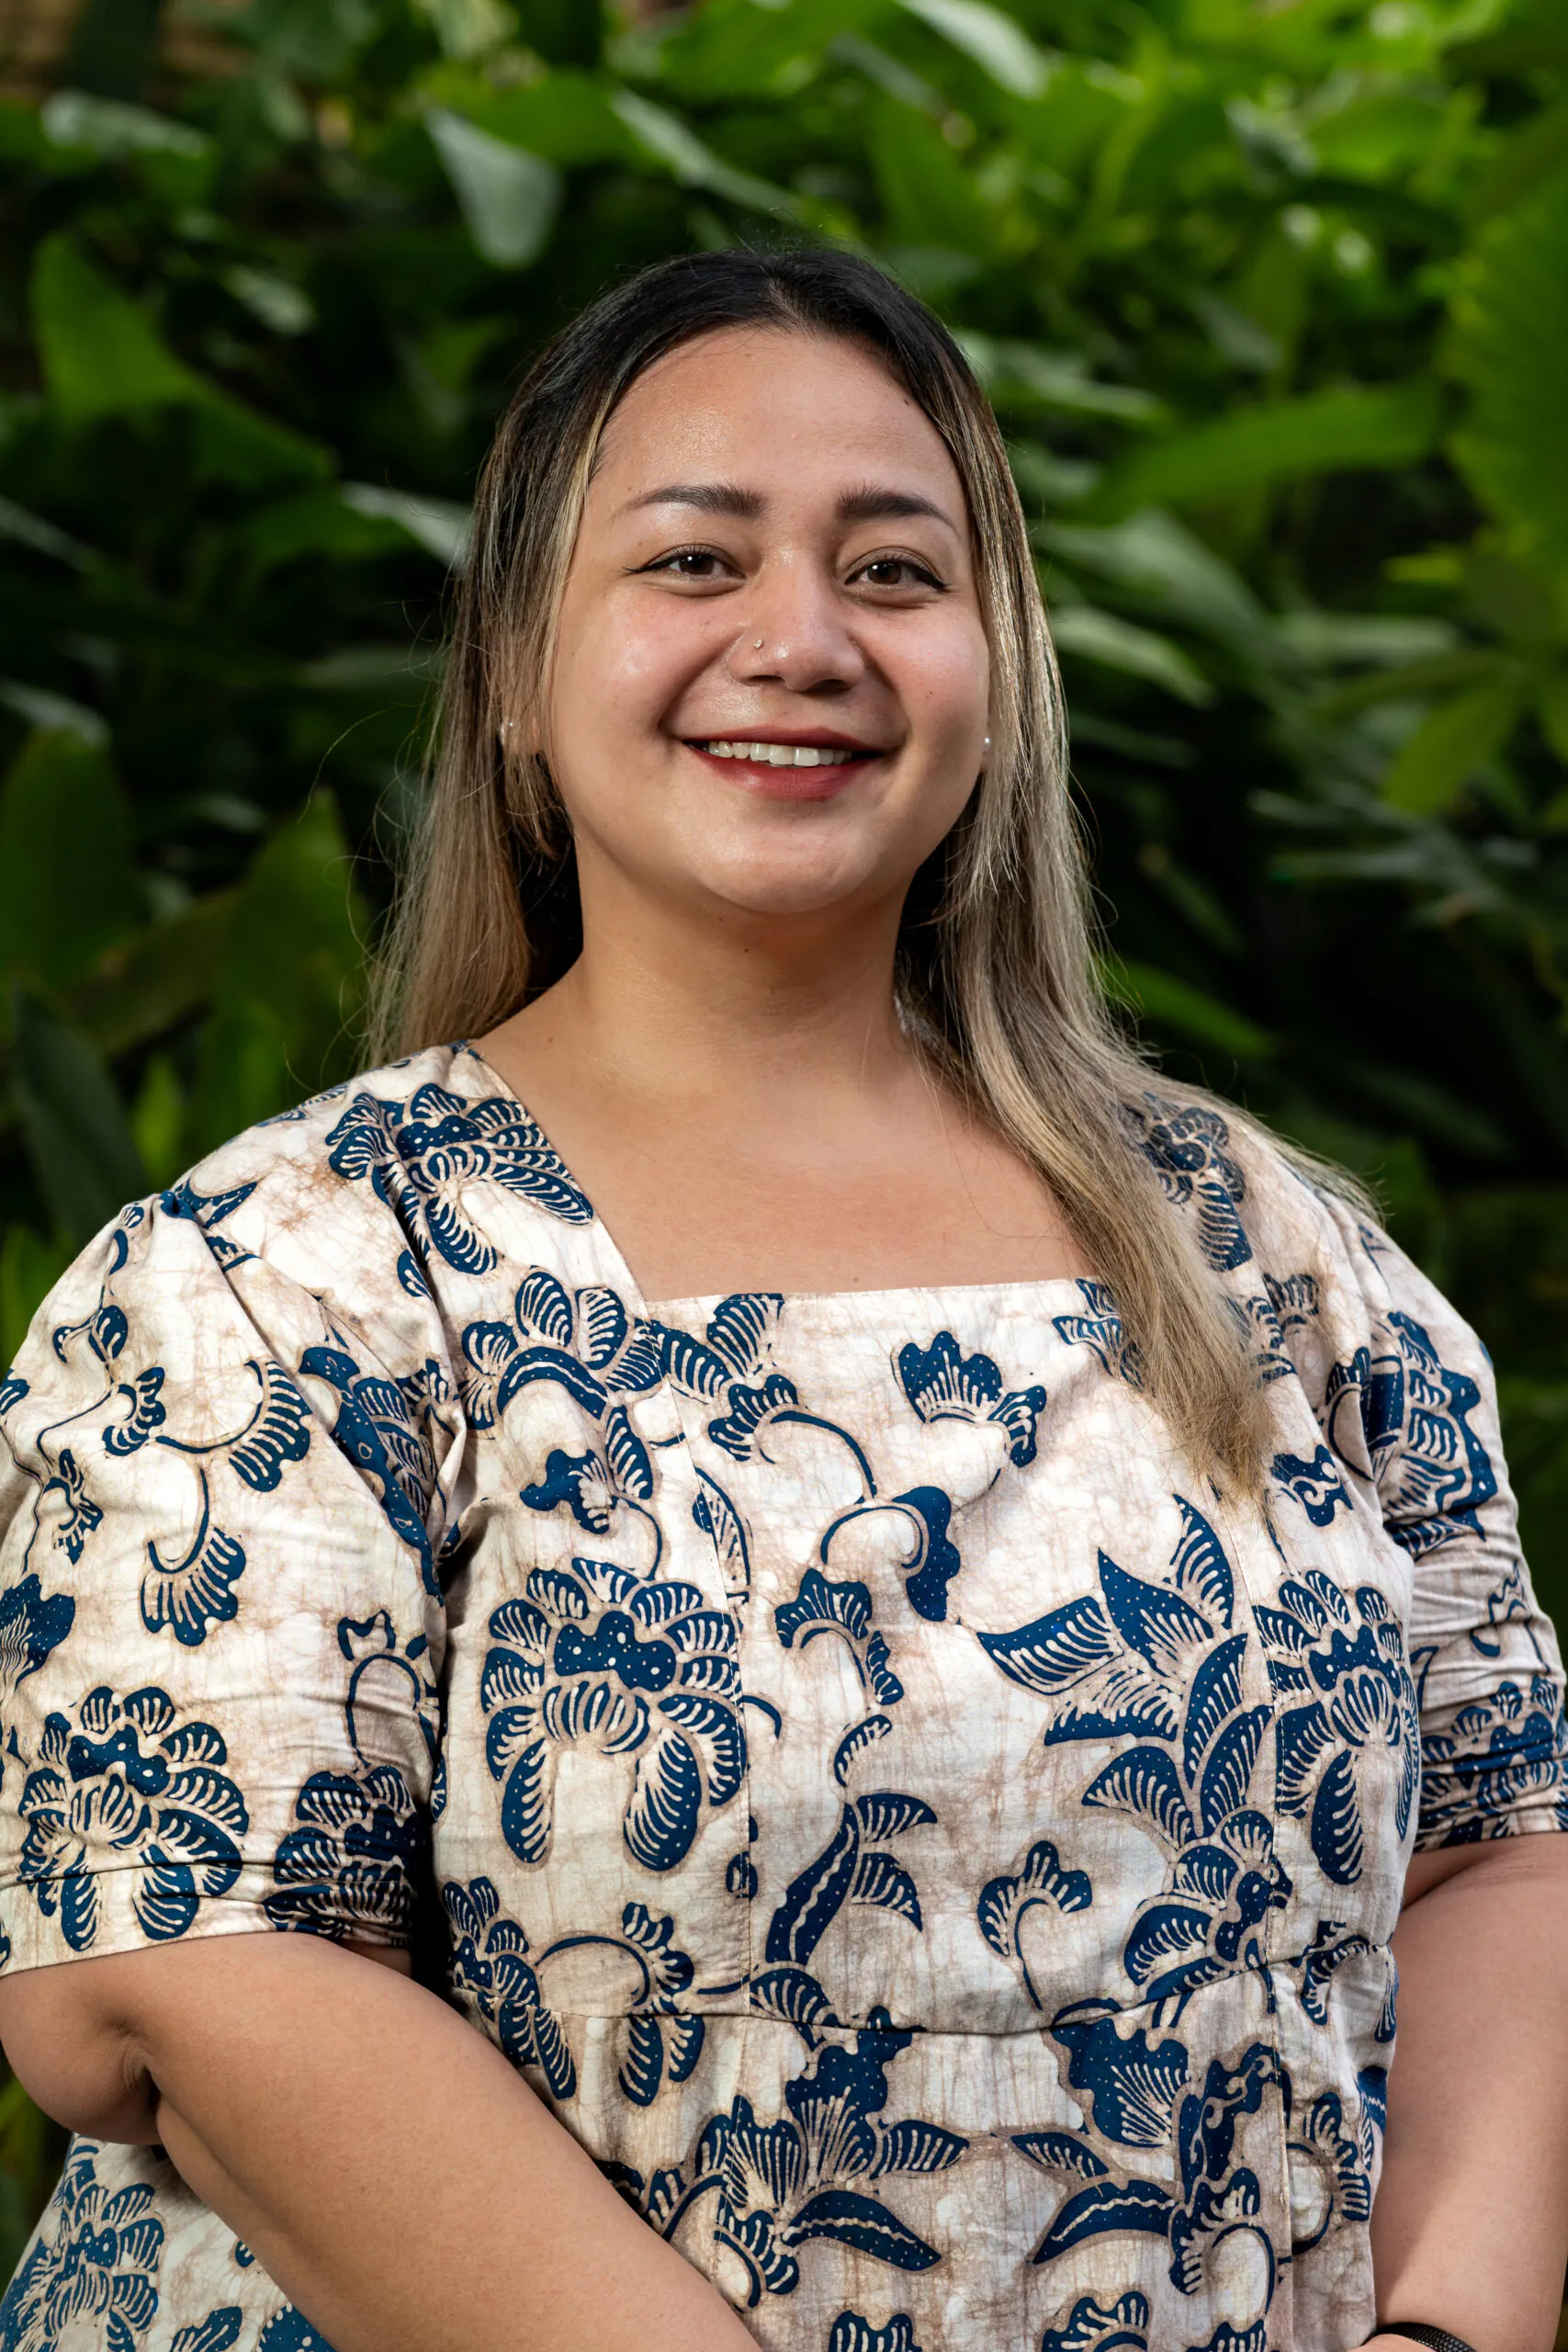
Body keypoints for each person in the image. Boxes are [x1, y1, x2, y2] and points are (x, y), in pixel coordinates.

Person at [0, 247, 1562, 2352]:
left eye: (894, 570)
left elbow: (1504, 1844)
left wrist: (1448, 2333)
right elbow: (186, 1962)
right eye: (694, 558)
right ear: (514, 665)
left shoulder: (1267, 1253)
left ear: (994, 668)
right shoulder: (288, 1275)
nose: (802, 640)